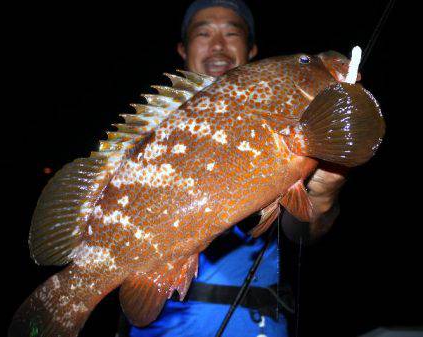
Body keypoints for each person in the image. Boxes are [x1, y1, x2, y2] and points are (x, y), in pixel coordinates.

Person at [122, 1, 345, 336]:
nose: (218, 45)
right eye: (204, 33)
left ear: (252, 50)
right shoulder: (150, 132)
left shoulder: (283, 116)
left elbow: (301, 233)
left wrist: (324, 193)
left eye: (231, 32)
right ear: (182, 49)